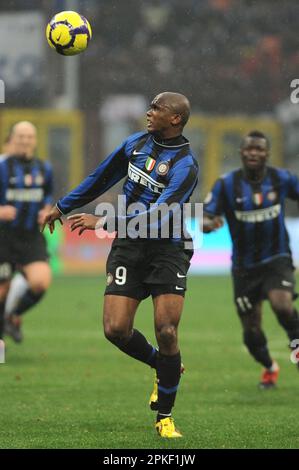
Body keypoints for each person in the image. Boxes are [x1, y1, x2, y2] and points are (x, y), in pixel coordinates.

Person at [42, 92, 198, 438]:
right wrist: (63, 205)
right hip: (129, 247)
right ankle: (165, 366)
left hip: (167, 249)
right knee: (115, 329)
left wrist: (106, 221)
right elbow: (100, 178)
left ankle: (165, 417)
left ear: (175, 119)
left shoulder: (185, 166)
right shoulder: (135, 144)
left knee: (167, 330)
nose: (149, 112)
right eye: (151, 105)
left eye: (157, 108)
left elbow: (160, 213)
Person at [203, 130, 299, 388]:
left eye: (259, 149)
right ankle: (269, 366)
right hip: (244, 268)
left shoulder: (281, 178)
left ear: (267, 154)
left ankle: (296, 341)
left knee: (282, 305)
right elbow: (206, 218)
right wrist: (209, 224)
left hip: (277, 258)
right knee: (251, 332)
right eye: (249, 149)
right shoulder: (225, 184)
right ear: (242, 153)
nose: (254, 153)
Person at [0, 121, 53, 343]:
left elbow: (48, 196)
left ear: (35, 140)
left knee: (41, 281)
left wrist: (47, 210)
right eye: (20, 136)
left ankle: (12, 316)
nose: (25, 140)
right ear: (12, 139)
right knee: (3, 288)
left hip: (31, 235)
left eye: (29, 136)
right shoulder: (2, 167)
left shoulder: (44, 168)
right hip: (4, 236)